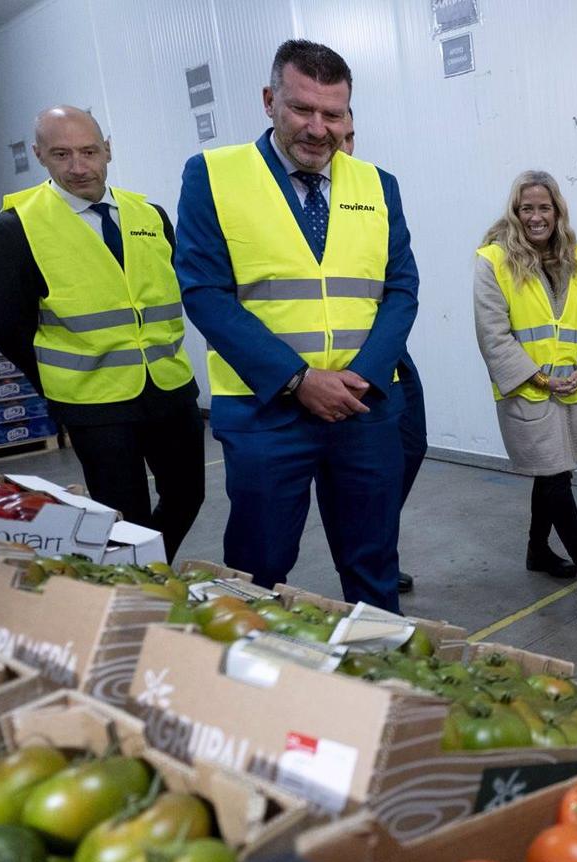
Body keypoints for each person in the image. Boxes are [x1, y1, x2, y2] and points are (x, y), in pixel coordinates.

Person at [174, 39, 416, 612]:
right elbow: (205, 294)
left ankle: (380, 684)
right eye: (301, 109)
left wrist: (362, 376)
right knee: (257, 567)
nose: (318, 127)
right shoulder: (214, 175)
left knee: (373, 563)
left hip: (364, 407)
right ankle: (254, 686)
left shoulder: (378, 185)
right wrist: (298, 379)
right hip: (267, 411)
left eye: (333, 114)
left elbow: (401, 289)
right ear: (269, 100)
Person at [0, 105, 203, 561]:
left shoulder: (150, 215)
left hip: (168, 386)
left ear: (108, 150)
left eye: (89, 151)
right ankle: (141, 588)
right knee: (128, 516)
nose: (79, 167)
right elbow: (9, 326)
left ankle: (146, 569)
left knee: (188, 496)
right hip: (94, 402)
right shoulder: (16, 227)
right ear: (39, 155)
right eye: (61, 154)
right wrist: (59, 384)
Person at [473, 171, 577, 603]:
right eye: (527, 209)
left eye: (544, 208)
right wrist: (537, 376)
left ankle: (538, 551)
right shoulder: (494, 261)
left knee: (555, 473)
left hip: (573, 389)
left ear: (557, 211)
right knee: (555, 477)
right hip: (528, 392)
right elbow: (493, 334)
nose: (536, 217)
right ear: (515, 213)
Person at [344, 105, 421, 596]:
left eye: (350, 134)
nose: (342, 145)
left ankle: (374, 543)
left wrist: (369, 369)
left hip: (381, 353)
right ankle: (370, 556)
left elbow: (401, 282)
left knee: (411, 446)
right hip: (311, 366)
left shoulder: (371, 189)